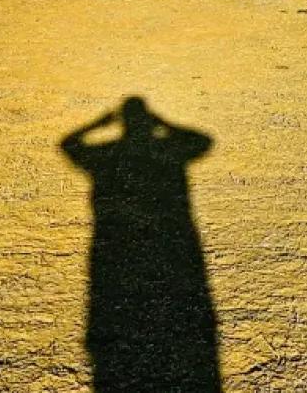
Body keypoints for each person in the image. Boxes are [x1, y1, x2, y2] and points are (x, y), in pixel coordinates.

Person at [61, 97, 220, 393]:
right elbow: (202, 141)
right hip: (173, 241)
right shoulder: (167, 150)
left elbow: (69, 145)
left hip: (115, 243)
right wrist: (165, 124)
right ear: (148, 121)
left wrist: (97, 125)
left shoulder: (107, 154)